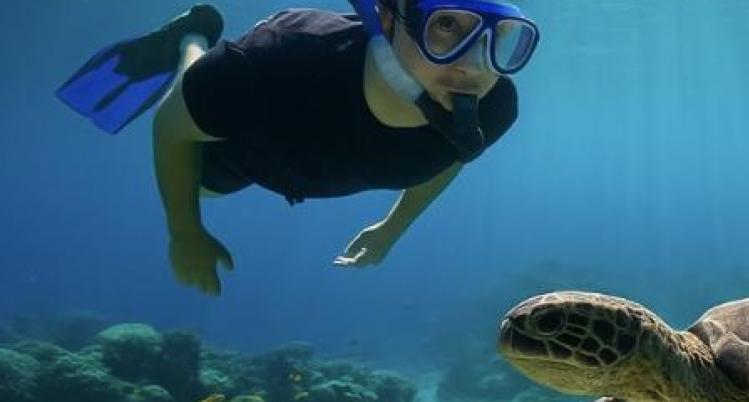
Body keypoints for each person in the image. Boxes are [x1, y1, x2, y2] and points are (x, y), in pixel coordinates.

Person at [57, 1, 539, 295]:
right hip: (245, 148)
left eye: (499, 36)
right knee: (201, 186)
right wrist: (184, 232)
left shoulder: (492, 106)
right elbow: (171, 127)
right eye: (447, 25)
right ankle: (193, 36)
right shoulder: (273, 62)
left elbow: (453, 154)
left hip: (297, 156)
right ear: (388, 16)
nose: (474, 65)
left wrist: (393, 227)